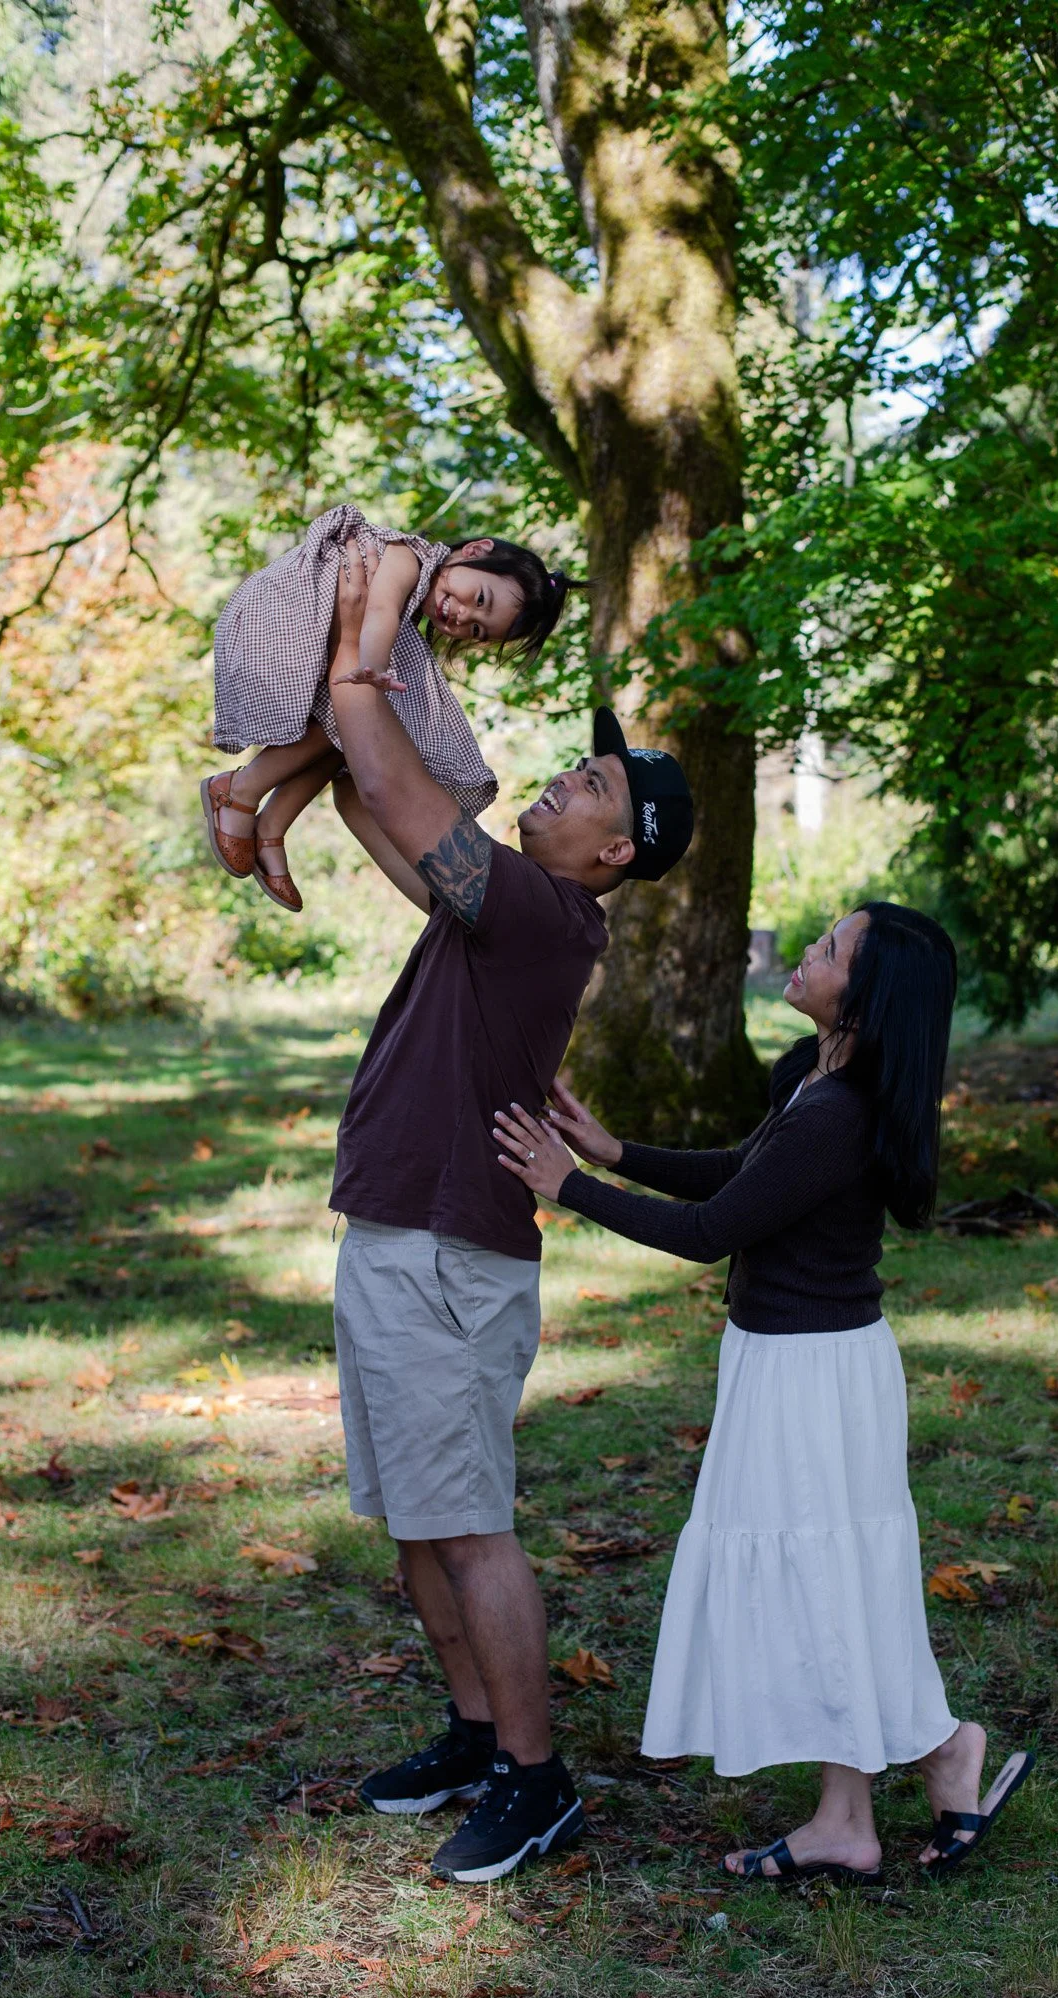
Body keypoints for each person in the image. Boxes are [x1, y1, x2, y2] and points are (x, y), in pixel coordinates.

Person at [494, 902, 1035, 1882]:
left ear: (863, 1001)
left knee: (822, 1573)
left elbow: (712, 1233)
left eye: (830, 949)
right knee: (823, 1577)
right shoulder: (819, 1082)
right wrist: (614, 1153)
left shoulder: (838, 1113)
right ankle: (856, 1808)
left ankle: (933, 1754)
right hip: (796, 1362)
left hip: (812, 1378)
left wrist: (565, 1185)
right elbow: (743, 1176)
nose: (807, 949)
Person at [323, 538, 694, 1883]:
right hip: (396, 1232)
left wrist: (365, 644)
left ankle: (537, 1783)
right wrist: (315, 760)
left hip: (447, 1255)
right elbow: (389, 821)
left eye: (587, 783)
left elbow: (381, 760)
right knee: (418, 1519)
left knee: (468, 1524)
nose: (561, 780)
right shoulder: (502, 902)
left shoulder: (543, 912)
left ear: (615, 849)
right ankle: (478, 1734)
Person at [200, 504, 576, 912]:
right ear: (475, 550)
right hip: (278, 620)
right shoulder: (406, 556)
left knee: (355, 736)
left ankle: (273, 825)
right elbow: (378, 609)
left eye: (476, 629)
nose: (463, 616)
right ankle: (239, 790)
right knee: (369, 717)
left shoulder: (409, 620)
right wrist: (373, 667)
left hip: (313, 633)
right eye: (479, 598)